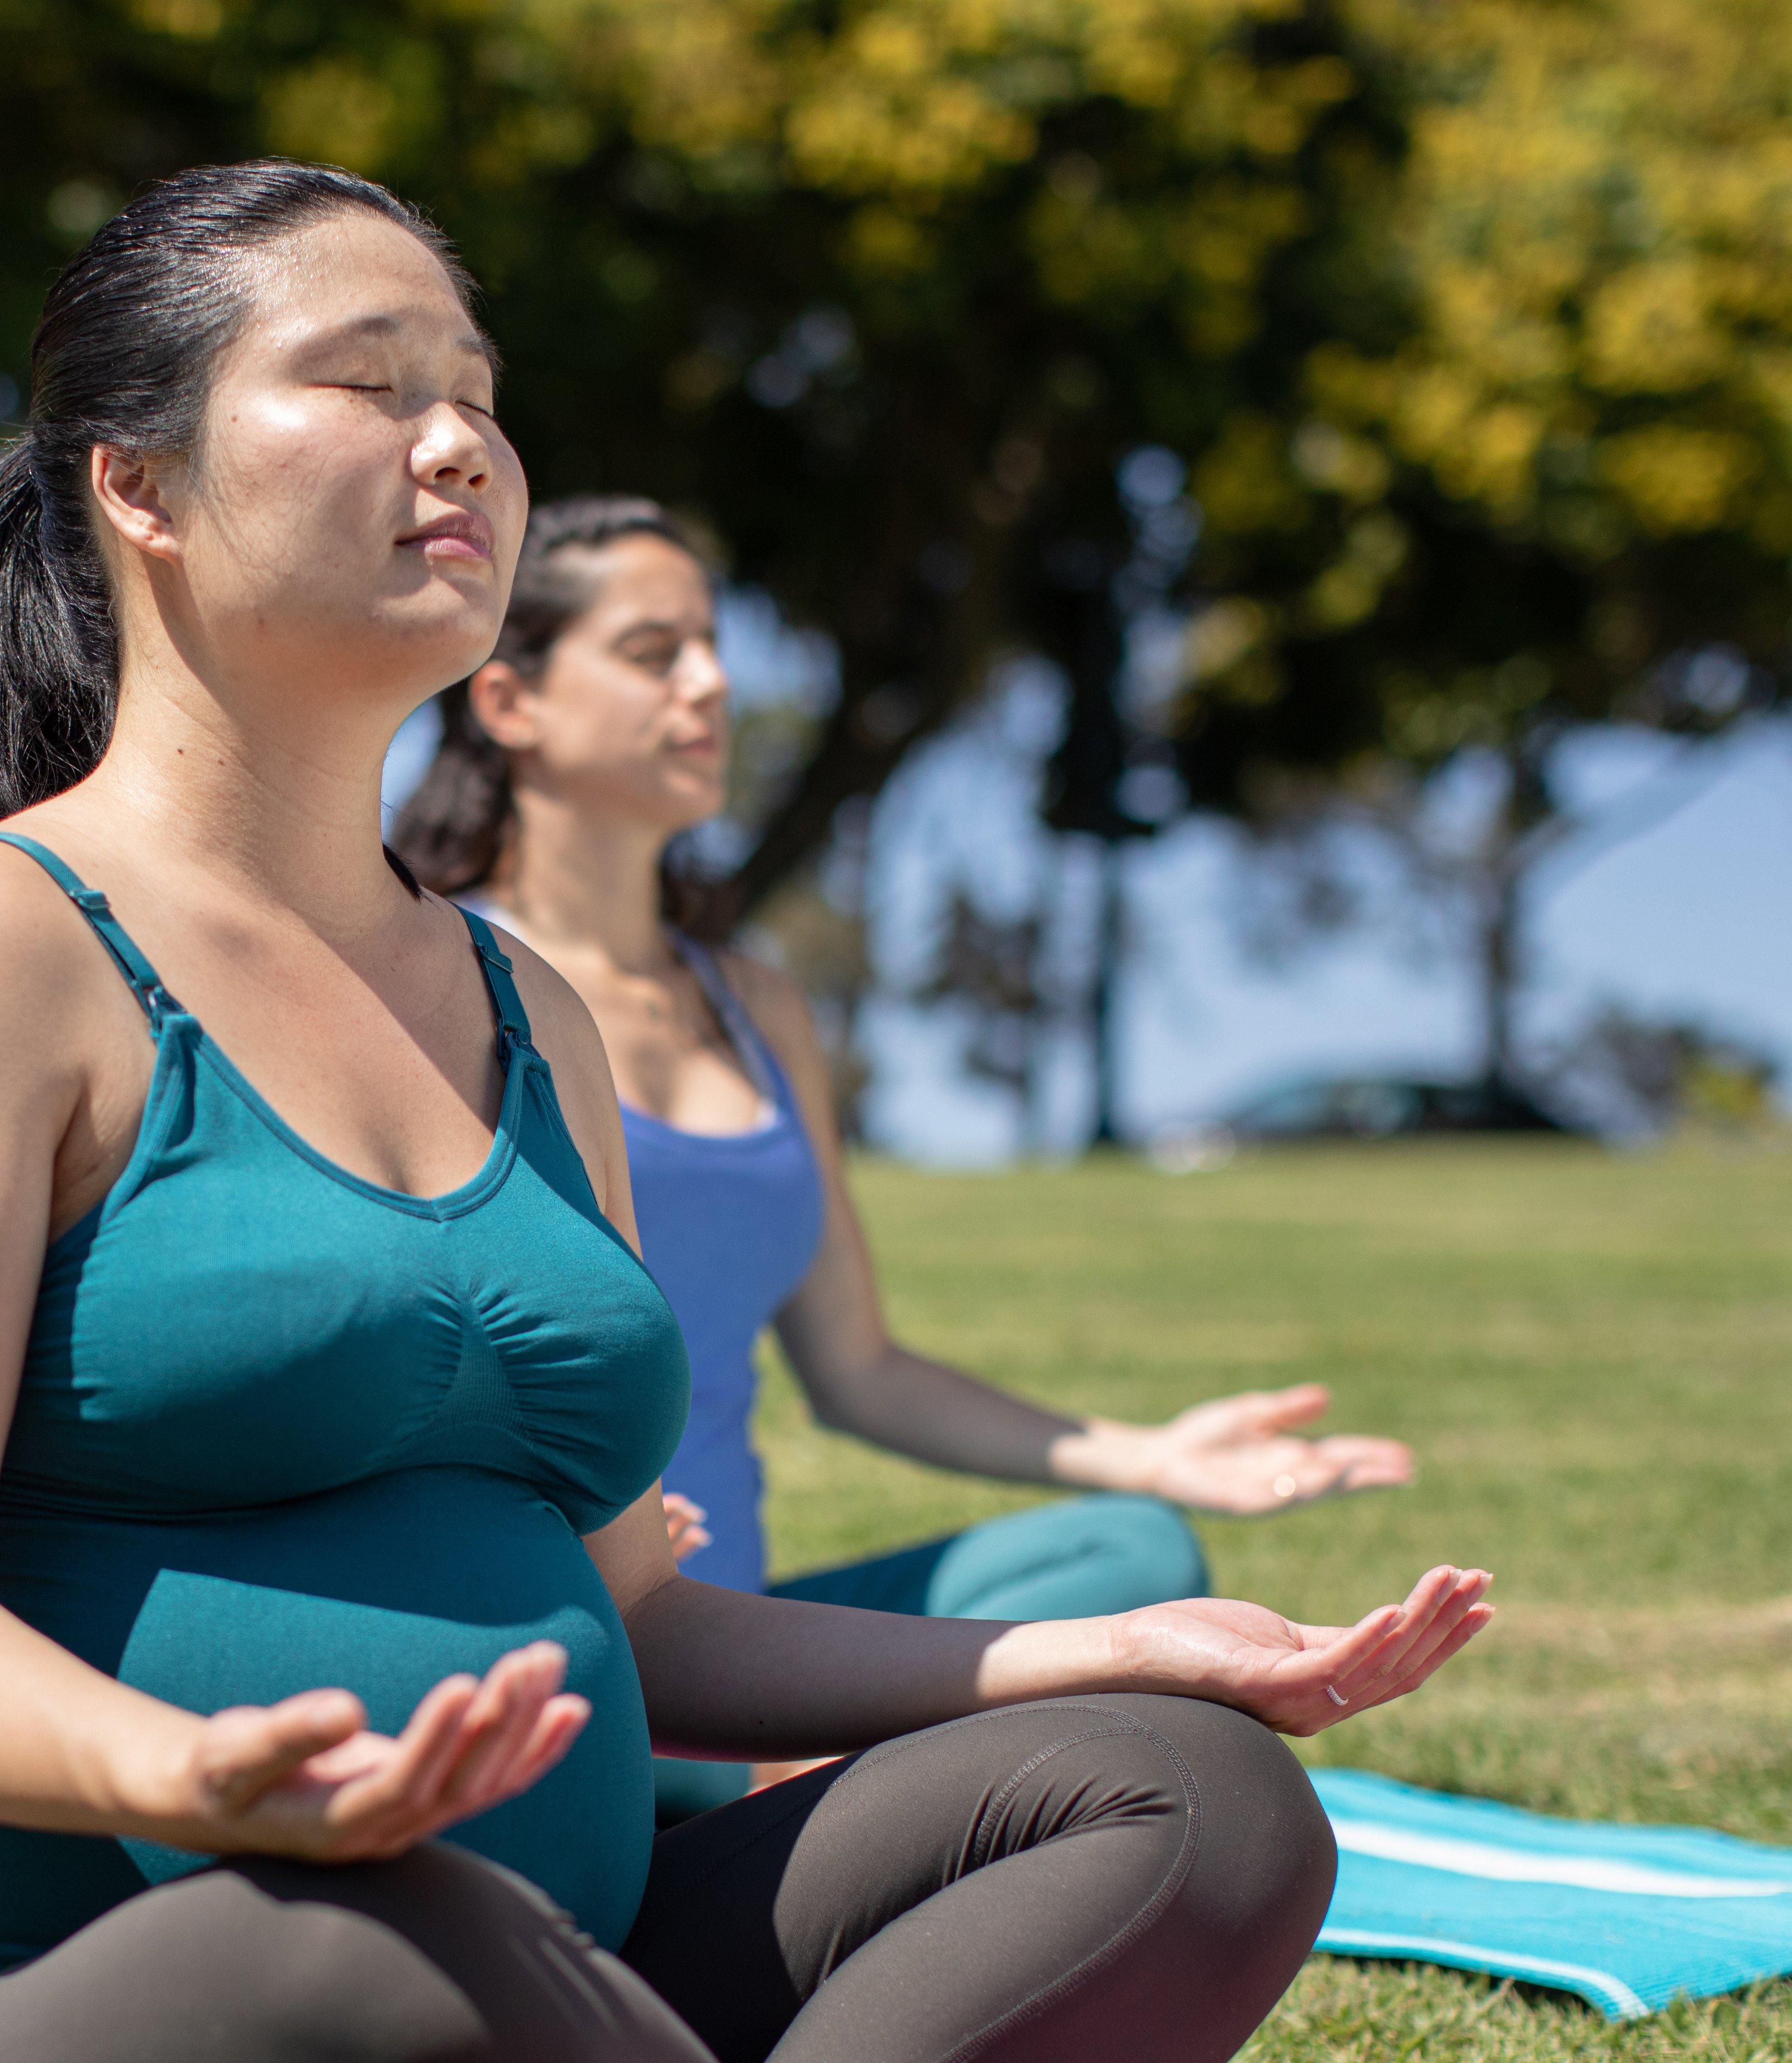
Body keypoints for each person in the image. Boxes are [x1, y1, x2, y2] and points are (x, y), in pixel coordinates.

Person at [0, 162, 1493, 2063]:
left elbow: (633, 1619)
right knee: (377, 1961)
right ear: (139, 486)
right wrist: (191, 1779)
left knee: (1192, 1799)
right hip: (47, 2041)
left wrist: (1098, 1647)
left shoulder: (526, 1009)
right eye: (366, 386)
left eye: (476, 393)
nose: (457, 442)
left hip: (539, 1996)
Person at [396, 496, 1418, 1814]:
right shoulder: (436, 982)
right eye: (654, 652)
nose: (710, 683)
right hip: (565, 1621)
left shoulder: (754, 1005)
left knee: (1130, 1548)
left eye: (712, 645)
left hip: (742, 1622)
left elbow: (860, 1366)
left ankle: (808, 1767)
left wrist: (1151, 1451)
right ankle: (806, 1779)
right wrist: (583, 1530)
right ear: (510, 702)